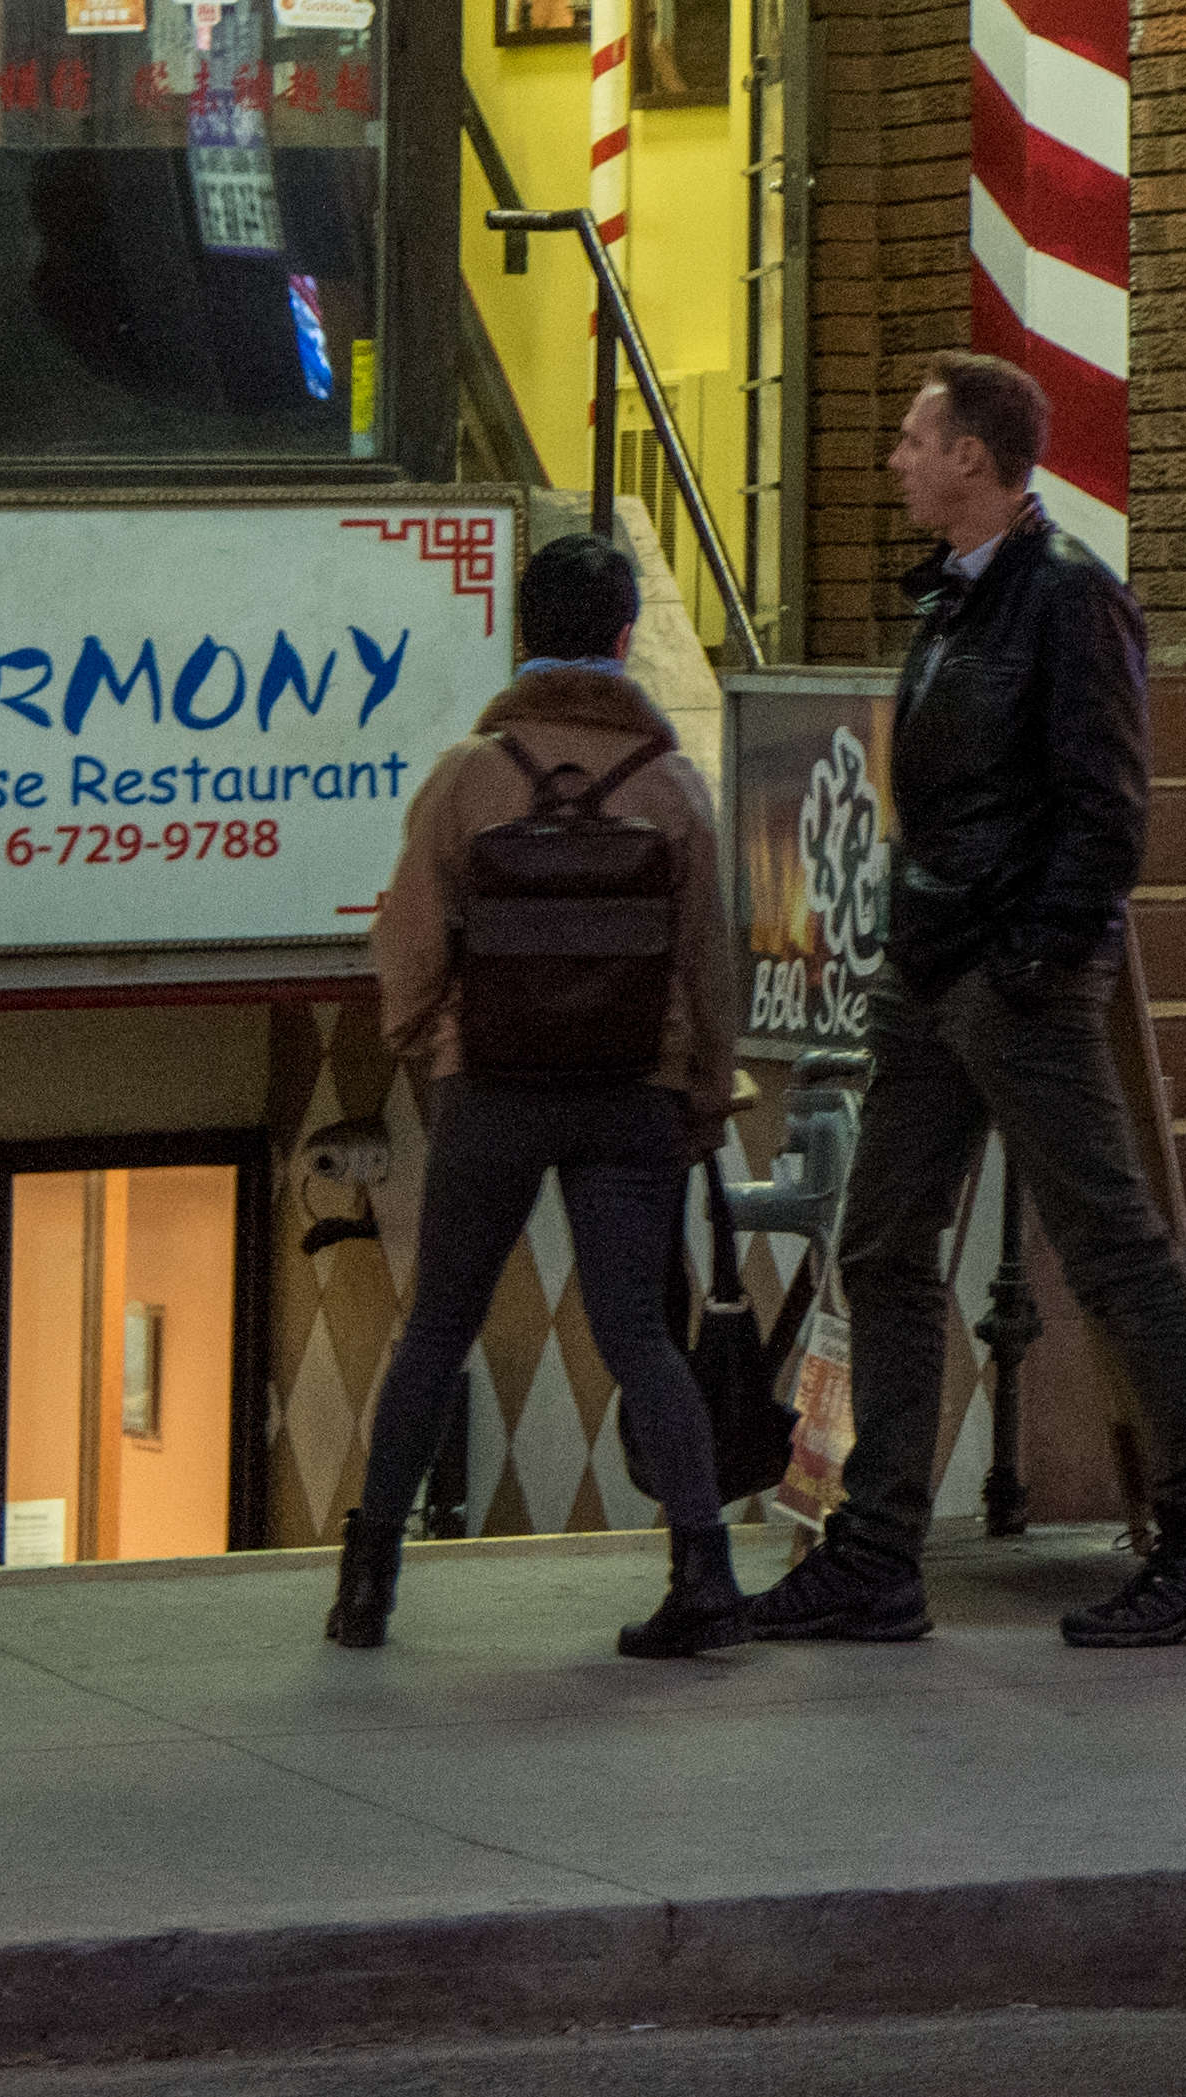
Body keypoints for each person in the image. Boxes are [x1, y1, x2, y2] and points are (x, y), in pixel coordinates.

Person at [743, 360, 1186, 1651]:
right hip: (931, 977)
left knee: (1110, 1248)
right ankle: (877, 1549)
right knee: (880, 1244)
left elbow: (1107, 811)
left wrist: (1032, 963)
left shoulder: (1067, 601)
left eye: (915, 438)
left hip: (1012, 980)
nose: (896, 460)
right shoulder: (958, 601)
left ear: (975, 459)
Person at [342, 521, 745, 1660]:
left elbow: (408, 937)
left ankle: (366, 1585)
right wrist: (703, 1090)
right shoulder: (669, 786)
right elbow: (709, 963)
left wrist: (438, 1036)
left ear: (523, 634)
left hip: (495, 1093)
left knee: (435, 1329)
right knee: (638, 1336)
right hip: (633, 1097)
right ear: (626, 636)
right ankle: (703, 1571)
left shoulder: (471, 777)